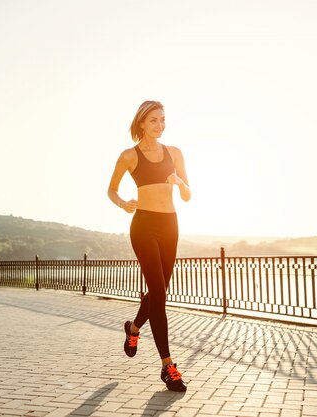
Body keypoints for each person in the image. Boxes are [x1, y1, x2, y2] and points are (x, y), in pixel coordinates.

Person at [107, 100, 191, 392]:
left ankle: (133, 329)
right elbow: (112, 188)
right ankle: (168, 366)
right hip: (143, 226)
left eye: (163, 120)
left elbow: (189, 195)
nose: (160, 125)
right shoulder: (129, 156)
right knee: (158, 293)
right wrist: (123, 204)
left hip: (170, 226)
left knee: (159, 292)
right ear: (141, 123)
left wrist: (179, 182)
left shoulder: (175, 153)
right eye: (154, 120)